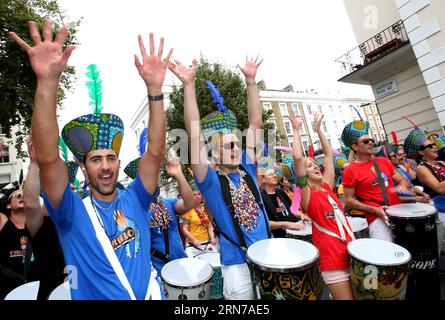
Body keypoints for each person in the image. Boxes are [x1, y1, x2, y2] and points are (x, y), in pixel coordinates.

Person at [9, 20, 172, 299]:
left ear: (120, 164)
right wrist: (47, 82)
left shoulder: (136, 198)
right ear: (83, 167)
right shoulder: (70, 210)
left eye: (111, 158)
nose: (106, 166)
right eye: (96, 160)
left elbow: (155, 153)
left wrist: (155, 91)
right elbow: (49, 159)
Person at [168, 56, 271, 300]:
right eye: (227, 146)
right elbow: (193, 135)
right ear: (213, 153)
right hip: (237, 266)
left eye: (236, 143)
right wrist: (189, 86)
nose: (235, 149)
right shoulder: (211, 181)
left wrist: (250, 81)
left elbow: (256, 123)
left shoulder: (247, 165)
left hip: (268, 256)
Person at [288, 107, 354, 300]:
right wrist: (296, 130)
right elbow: (298, 158)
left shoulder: (327, 186)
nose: (315, 166)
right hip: (333, 260)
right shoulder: (307, 195)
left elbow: (328, 156)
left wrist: (318, 129)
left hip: (352, 252)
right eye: (309, 166)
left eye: (314, 164)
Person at [341, 120, 412, 242]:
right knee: (387, 255)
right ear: (355, 147)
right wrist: (373, 210)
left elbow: (403, 180)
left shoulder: (383, 161)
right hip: (376, 219)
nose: (371, 143)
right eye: (366, 141)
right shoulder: (350, 170)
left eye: (371, 140)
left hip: (398, 212)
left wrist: (403, 186)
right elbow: (348, 201)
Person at [124, 158, 193, 274]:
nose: (155, 181)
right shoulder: (137, 210)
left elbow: (189, 203)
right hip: (159, 272)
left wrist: (179, 175)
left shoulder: (167, 203)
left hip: (181, 264)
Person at [22, 135, 66, 300]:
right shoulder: (41, 222)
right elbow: (31, 206)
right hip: (50, 292)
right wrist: (34, 163)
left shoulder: (82, 215)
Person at [0, 183, 34, 299]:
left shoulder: (37, 226)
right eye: (18, 196)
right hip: (9, 289)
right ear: (8, 205)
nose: (22, 197)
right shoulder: (3, 223)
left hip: (35, 288)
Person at [260, 168, 302, 238]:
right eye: (271, 175)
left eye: (274, 173)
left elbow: (293, 210)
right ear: (263, 179)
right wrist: (285, 224)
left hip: (295, 231)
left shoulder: (281, 192)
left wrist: (302, 215)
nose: (275, 176)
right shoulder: (261, 197)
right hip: (280, 237)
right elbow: (264, 223)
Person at [181, 182, 219, 257]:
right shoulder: (187, 211)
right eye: (195, 195)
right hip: (193, 246)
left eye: (199, 194)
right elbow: (184, 229)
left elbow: (209, 226)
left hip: (207, 243)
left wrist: (212, 238)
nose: (197, 196)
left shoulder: (205, 210)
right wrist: (194, 240)